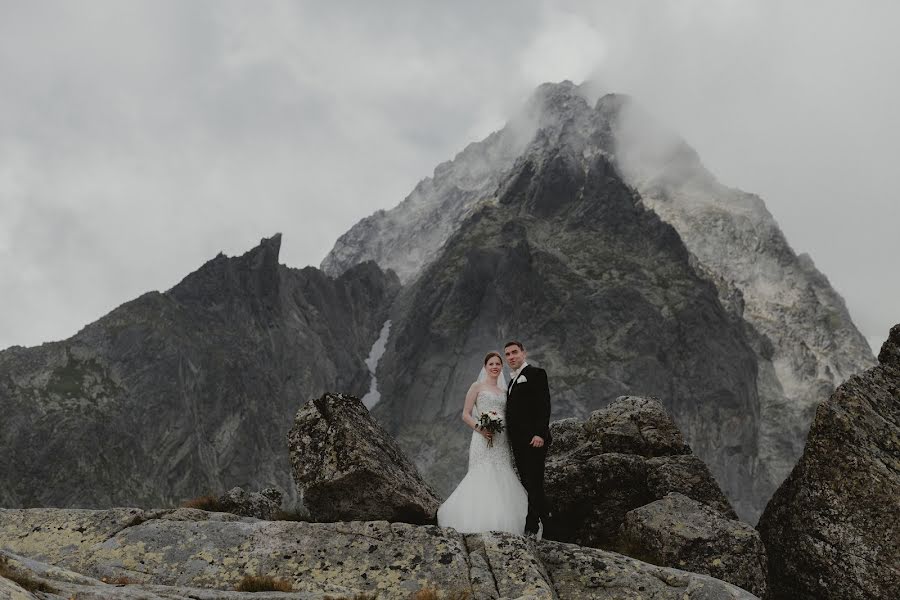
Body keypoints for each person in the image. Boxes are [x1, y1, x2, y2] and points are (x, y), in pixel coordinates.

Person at [436, 352, 528, 534]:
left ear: (501, 367)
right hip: (482, 437)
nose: (494, 367)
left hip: (501, 439)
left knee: (502, 473)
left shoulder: (504, 391)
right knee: (482, 473)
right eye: (491, 364)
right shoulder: (477, 387)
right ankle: (478, 519)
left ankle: (507, 520)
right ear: (485, 367)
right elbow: (465, 414)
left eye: (497, 364)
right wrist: (481, 428)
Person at [504, 340, 552, 537]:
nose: (511, 357)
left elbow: (544, 405)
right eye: (507, 354)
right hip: (519, 442)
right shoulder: (511, 381)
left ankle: (533, 527)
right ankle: (545, 523)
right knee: (527, 482)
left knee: (534, 482)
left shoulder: (536, 374)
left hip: (534, 440)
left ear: (524, 353)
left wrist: (540, 433)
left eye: (514, 352)